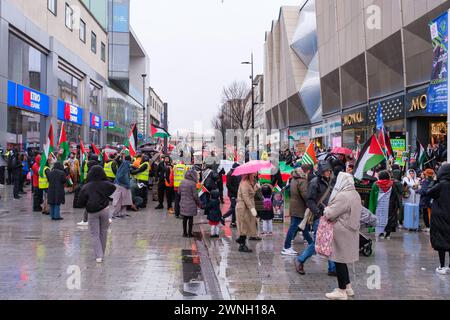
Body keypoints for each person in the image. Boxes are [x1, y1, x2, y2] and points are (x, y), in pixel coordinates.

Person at [323, 172, 362, 300]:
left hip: (341, 231)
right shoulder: (355, 194)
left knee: (339, 260)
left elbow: (330, 213)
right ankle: (348, 287)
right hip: (351, 230)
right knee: (343, 260)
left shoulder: (343, 196)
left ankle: (341, 290)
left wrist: (326, 209)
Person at [295, 161, 336, 276]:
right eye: (326, 171)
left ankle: (332, 267)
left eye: (329, 171)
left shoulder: (331, 181)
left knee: (331, 241)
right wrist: (318, 212)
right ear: (322, 171)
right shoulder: (314, 182)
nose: (328, 173)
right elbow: (309, 200)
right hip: (320, 217)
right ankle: (300, 259)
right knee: (318, 242)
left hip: (330, 215)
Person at [78, 166, 116, 263]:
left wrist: (86, 204)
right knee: (104, 232)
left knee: (94, 234)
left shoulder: (86, 186)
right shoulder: (106, 184)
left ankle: (98, 256)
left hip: (92, 211)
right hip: (105, 210)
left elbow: (80, 201)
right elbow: (113, 187)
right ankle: (101, 253)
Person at [426, 163, 450, 274]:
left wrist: (434, 180)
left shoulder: (441, 184)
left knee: (441, 241)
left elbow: (429, 192)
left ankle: (441, 266)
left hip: (440, 217)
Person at [282, 165, 311, 256]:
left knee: (304, 227)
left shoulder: (294, 179)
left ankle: (312, 245)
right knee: (294, 227)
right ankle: (286, 247)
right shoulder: (302, 181)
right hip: (299, 208)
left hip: (294, 206)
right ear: (306, 171)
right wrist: (311, 202)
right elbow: (305, 194)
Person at [369, 171, 401, 240]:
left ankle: (381, 233)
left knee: (380, 218)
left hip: (379, 205)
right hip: (389, 205)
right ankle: (388, 234)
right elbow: (395, 195)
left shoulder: (376, 184)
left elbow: (372, 196)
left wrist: (372, 206)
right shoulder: (392, 184)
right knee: (389, 218)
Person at [235, 173, 259, 253]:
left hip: (246, 207)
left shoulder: (249, 183)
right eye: (253, 175)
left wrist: (255, 188)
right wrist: (252, 208)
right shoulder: (245, 183)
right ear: (248, 175)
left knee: (246, 225)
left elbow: (250, 194)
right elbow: (245, 197)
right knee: (244, 225)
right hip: (243, 207)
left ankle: (241, 240)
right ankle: (242, 244)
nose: (254, 176)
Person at [179, 169, 202, 238]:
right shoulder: (193, 183)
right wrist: (199, 203)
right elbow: (195, 196)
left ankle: (184, 233)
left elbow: (179, 192)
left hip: (183, 203)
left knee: (184, 219)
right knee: (190, 219)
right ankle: (189, 233)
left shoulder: (182, 182)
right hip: (191, 204)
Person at [223, 163, 241, 228]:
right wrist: (236, 191)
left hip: (235, 193)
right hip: (233, 194)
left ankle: (233, 222)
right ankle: (223, 217)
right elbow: (228, 185)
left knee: (234, 207)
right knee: (234, 208)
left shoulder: (235, 173)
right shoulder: (230, 174)